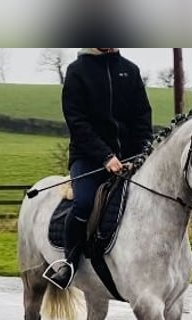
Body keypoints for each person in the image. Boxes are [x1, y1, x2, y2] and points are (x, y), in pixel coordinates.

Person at [44, 48, 153, 290]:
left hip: (130, 158)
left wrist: (143, 151)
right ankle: (69, 263)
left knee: (156, 197)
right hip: (88, 158)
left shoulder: (130, 70)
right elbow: (77, 122)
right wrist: (105, 156)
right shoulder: (77, 72)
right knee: (83, 203)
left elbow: (142, 117)